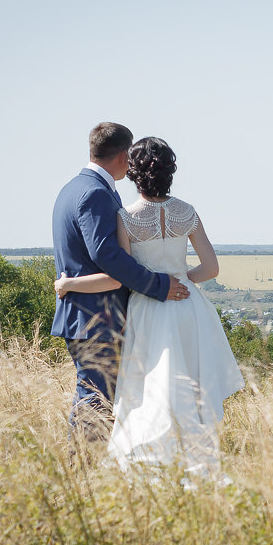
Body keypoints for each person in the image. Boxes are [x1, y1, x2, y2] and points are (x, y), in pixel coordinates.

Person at [55, 136, 245, 476]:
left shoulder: (125, 217)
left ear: (134, 173)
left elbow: (121, 275)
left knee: (149, 392)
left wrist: (69, 284)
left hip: (146, 309)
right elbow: (212, 268)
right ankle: (196, 461)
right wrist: (181, 279)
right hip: (189, 308)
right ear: (171, 171)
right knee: (192, 388)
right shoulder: (187, 211)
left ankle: (153, 464)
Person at [51, 123, 191, 440]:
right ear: (124, 155)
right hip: (96, 317)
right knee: (95, 401)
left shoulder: (73, 188)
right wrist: (160, 285)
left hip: (84, 313)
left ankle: (89, 472)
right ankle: (84, 473)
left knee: (97, 398)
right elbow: (107, 256)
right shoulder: (94, 194)